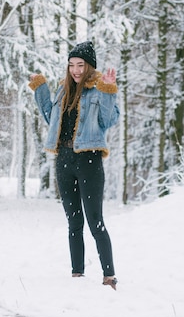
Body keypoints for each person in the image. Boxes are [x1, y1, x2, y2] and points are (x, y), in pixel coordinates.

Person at [29, 41, 120, 290]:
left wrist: (108, 91)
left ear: (89, 66)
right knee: (73, 222)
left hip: (88, 159)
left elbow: (107, 120)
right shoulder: (63, 91)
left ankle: (109, 276)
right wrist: (40, 88)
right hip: (64, 160)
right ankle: (77, 275)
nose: (76, 70)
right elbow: (50, 117)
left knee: (95, 221)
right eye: (71, 65)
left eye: (80, 65)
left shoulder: (98, 90)